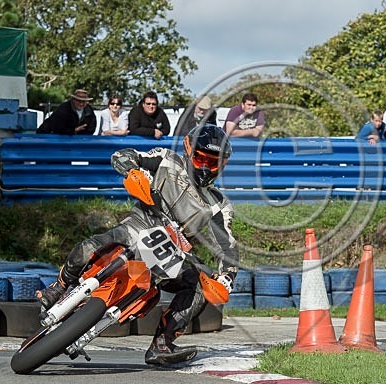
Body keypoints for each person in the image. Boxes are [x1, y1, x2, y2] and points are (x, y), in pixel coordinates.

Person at [36, 124, 239, 366]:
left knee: (199, 286)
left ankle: (162, 344)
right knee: (90, 247)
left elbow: (227, 244)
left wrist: (227, 275)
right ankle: (59, 286)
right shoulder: (166, 160)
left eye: (212, 162)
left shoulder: (219, 204)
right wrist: (131, 168)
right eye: (201, 158)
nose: (205, 167)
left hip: (172, 253)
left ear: (222, 164)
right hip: (138, 225)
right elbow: (127, 155)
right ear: (188, 151)